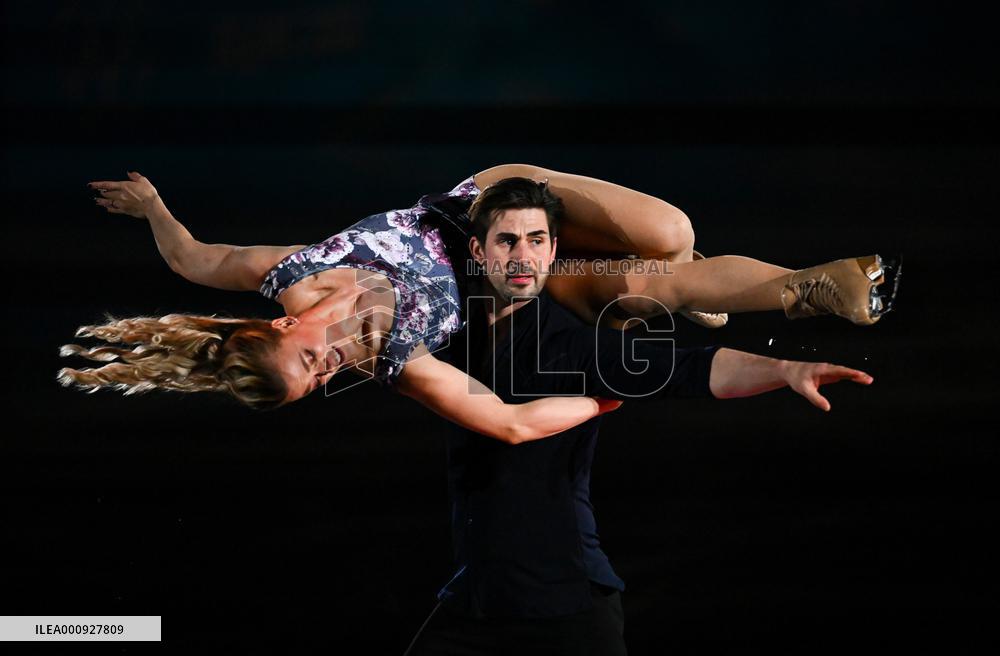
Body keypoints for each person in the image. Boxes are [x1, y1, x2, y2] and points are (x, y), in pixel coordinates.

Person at [58, 165, 897, 444]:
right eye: (320, 381)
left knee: (671, 234)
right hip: (517, 276)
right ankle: (813, 287)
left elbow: (194, 258)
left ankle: (713, 294)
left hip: (489, 206)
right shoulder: (398, 365)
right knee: (660, 280)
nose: (331, 364)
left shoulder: (292, 271)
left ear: (285, 323)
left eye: (310, 357)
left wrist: (153, 210)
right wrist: (606, 395)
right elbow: (505, 421)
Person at [403, 177, 876, 655]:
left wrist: (785, 369)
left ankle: (796, 285)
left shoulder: (567, 345)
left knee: (660, 260)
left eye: (536, 240)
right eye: (506, 241)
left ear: (552, 252)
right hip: (476, 603)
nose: (522, 255)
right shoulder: (454, 326)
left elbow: (690, 367)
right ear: (478, 251)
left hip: (566, 608)